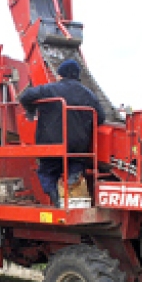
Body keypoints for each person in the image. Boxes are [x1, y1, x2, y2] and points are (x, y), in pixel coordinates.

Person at [19, 58, 104, 206]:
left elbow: (25, 96)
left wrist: (31, 110)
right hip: (79, 148)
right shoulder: (89, 95)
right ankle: (72, 181)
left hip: (53, 146)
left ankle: (57, 200)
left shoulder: (50, 89)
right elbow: (101, 117)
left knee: (46, 172)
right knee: (76, 165)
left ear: (60, 75)